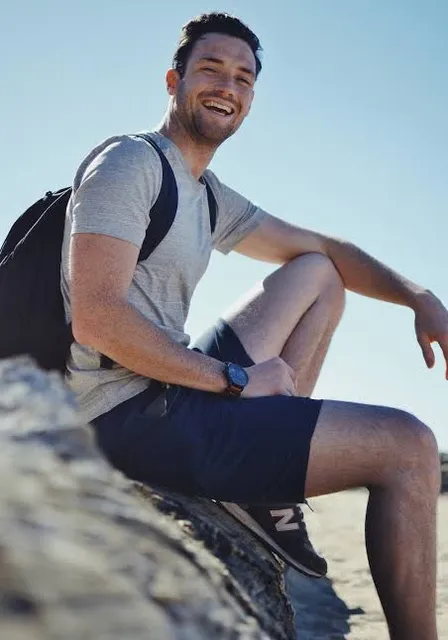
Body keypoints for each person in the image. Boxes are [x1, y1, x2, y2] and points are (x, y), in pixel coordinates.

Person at [61, 12, 445, 639]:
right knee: (410, 446)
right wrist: (235, 378)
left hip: (167, 390)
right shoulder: (131, 164)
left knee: (318, 271)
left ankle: (268, 493)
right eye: (210, 69)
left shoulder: (205, 191)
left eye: (243, 78)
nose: (227, 87)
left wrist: (418, 296)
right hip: (116, 414)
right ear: (173, 80)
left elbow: (322, 246)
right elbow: (97, 319)